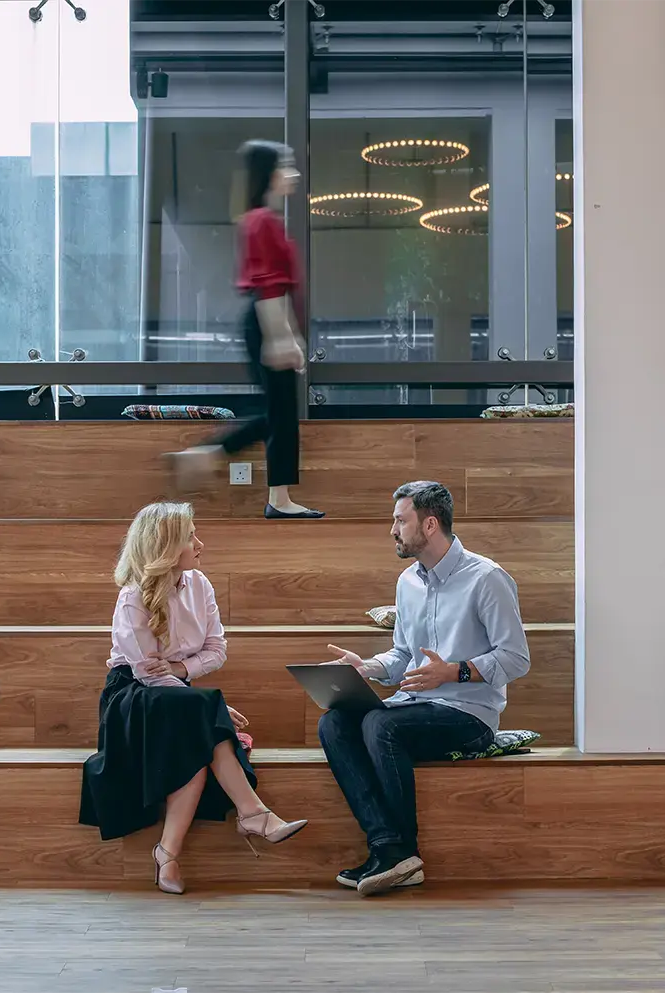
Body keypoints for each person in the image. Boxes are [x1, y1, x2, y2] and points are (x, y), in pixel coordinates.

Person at [79, 502, 308, 894]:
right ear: (166, 546)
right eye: (190, 537)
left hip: (175, 695)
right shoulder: (133, 597)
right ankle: (252, 814)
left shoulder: (200, 585)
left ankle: (169, 854)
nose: (200, 544)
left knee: (195, 741)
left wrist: (185, 678)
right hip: (131, 699)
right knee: (199, 720)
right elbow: (146, 675)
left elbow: (217, 650)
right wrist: (202, 705)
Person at [317, 481, 530, 896]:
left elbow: (516, 658)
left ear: (430, 524)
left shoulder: (487, 578)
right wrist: (368, 667)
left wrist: (453, 672)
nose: (392, 529)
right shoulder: (407, 583)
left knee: (380, 725)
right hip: (414, 705)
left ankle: (402, 852)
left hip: (469, 715)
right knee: (335, 722)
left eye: (400, 520)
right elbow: (403, 654)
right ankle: (388, 847)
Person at [166, 140, 323, 520]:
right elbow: (269, 285)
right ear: (269, 174)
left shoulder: (258, 219)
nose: (294, 174)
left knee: (280, 413)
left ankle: (258, 485)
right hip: (264, 318)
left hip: (266, 317)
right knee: (279, 413)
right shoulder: (262, 222)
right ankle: (226, 464)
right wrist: (281, 337)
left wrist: (290, 336)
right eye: (286, 166)